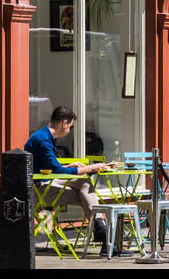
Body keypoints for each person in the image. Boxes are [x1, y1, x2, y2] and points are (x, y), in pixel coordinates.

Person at [24, 106, 109, 249]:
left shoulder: (45, 135)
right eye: (70, 126)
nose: (70, 129)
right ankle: (103, 232)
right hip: (36, 190)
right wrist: (89, 168)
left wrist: (70, 166)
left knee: (84, 183)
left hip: (45, 181)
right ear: (64, 122)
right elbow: (56, 170)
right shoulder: (43, 140)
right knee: (84, 195)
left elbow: (51, 166)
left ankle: (101, 230)